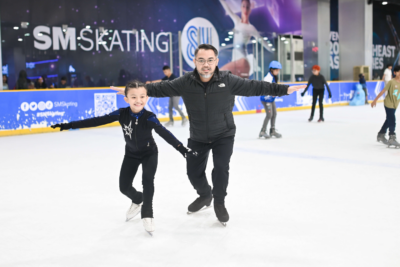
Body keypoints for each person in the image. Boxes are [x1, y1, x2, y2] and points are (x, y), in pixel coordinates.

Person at [111, 44, 305, 225]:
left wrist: (284, 89)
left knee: (221, 168)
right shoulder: (186, 82)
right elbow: (160, 88)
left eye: (210, 60)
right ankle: (206, 195)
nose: (206, 64)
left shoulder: (228, 80)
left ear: (216, 61)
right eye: (201, 60)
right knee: (193, 172)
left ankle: (219, 203)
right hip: (198, 136)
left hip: (224, 134)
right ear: (194, 61)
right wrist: (133, 91)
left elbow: (256, 86)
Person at [51, 80, 194, 235]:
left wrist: (183, 150)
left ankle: (147, 214)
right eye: (133, 97)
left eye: (142, 96)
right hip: (131, 154)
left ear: (147, 98)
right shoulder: (122, 113)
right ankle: (138, 199)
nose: (138, 100)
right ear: (126, 99)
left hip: (149, 153)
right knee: (124, 187)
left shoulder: (149, 117)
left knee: (147, 181)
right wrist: (69, 125)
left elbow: (166, 135)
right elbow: (97, 120)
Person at [209, 0, 273, 79]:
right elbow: (228, 9)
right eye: (243, 6)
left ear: (250, 9)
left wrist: (273, 50)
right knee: (235, 89)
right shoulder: (237, 21)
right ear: (241, 7)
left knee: (219, 75)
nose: (245, 9)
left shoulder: (251, 28)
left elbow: (262, 41)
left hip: (242, 61)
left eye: (247, 7)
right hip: (235, 60)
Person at [371, 66, 400, 147]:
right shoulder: (391, 82)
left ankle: (381, 134)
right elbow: (383, 91)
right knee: (392, 120)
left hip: (395, 104)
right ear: (394, 73)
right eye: (398, 71)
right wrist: (375, 100)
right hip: (388, 103)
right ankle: (392, 137)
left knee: (388, 120)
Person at [259, 61, 282, 139]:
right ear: (272, 69)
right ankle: (262, 131)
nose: (278, 72)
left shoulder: (274, 77)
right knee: (269, 115)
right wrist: (272, 93)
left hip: (271, 99)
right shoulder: (268, 78)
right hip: (266, 99)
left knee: (274, 114)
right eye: (277, 70)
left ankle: (272, 131)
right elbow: (265, 89)